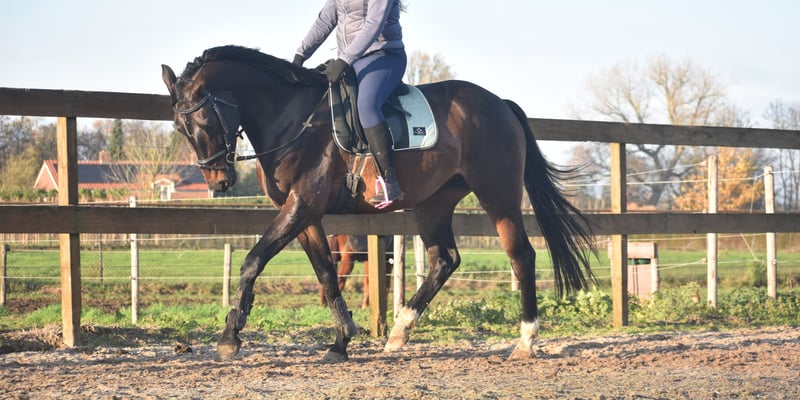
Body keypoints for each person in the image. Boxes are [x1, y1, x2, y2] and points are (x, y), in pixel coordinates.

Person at [293, 0, 407, 209]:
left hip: (384, 56)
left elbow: (374, 24)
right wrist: (300, 56)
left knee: (366, 105)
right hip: (351, 59)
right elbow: (325, 21)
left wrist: (344, 60)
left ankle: (391, 182)